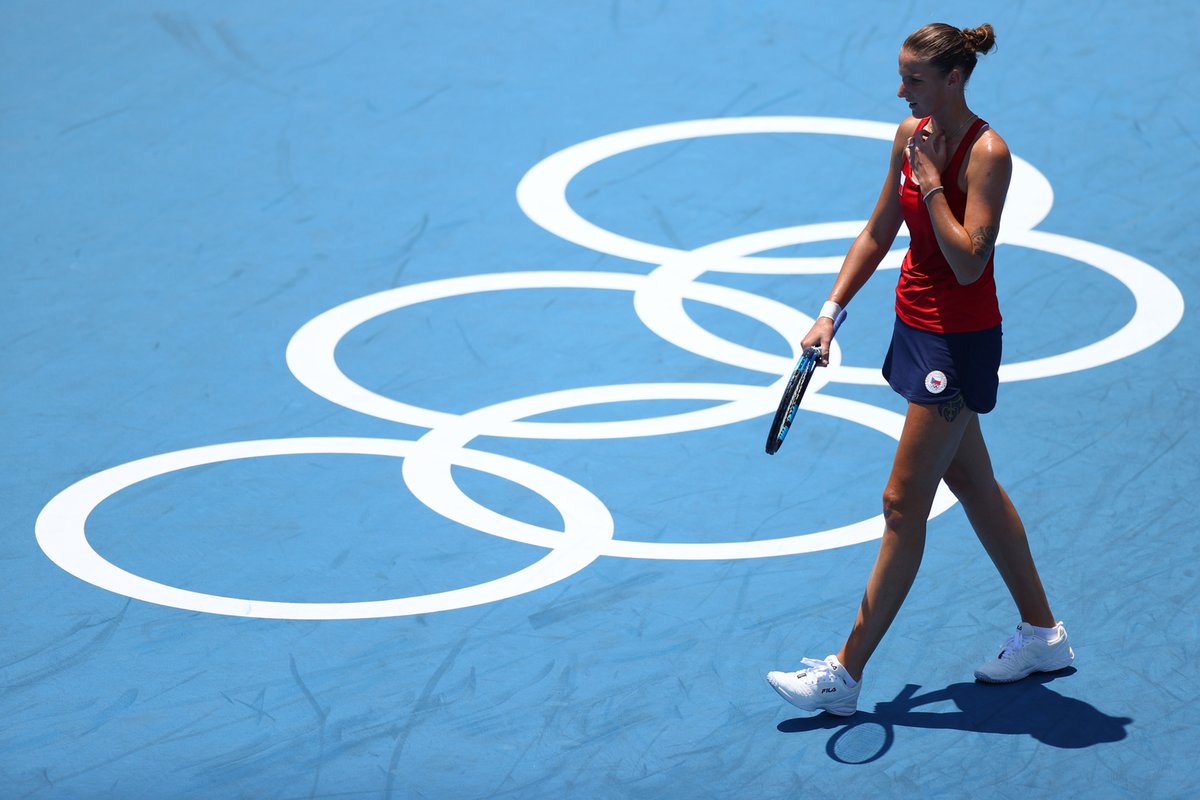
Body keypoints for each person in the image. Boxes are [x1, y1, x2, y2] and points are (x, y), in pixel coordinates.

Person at [766, 22, 1073, 717]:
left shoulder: (986, 153)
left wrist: (934, 183)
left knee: (903, 505)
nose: (900, 90)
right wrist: (830, 312)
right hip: (914, 327)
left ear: (954, 79)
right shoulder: (909, 135)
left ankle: (844, 674)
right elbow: (879, 230)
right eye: (902, 77)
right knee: (971, 481)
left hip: (957, 341)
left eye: (914, 79)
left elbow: (970, 261)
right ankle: (1044, 635)